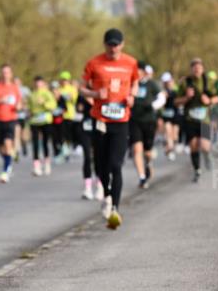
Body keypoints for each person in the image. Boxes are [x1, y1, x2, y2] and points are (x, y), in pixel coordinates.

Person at [80, 28, 139, 229]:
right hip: (100, 120)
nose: (113, 48)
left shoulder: (130, 62)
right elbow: (81, 88)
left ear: (122, 44)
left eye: (117, 44)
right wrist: (96, 94)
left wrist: (132, 96)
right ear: (105, 44)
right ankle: (106, 194)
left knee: (116, 165)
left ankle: (115, 208)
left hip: (121, 120)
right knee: (101, 165)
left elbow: (135, 82)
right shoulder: (94, 63)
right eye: (110, 44)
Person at [176, 67, 216, 183]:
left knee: (205, 146)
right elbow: (176, 102)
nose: (197, 70)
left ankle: (207, 156)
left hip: (204, 120)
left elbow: (217, 97)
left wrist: (209, 101)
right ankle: (197, 170)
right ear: (191, 69)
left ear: (203, 69)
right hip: (190, 120)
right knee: (193, 145)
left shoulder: (208, 82)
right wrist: (186, 97)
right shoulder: (185, 83)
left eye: (199, 68)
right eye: (194, 68)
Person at [129, 63, 165, 189]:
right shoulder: (130, 83)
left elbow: (162, 98)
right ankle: (142, 177)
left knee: (147, 152)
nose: (137, 73)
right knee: (136, 149)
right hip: (134, 120)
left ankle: (148, 163)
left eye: (139, 71)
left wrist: (152, 106)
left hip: (149, 121)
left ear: (144, 72)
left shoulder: (151, 84)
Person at [0, 64, 23, 182]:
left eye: (7, 72)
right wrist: (0, 100)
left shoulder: (14, 87)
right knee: (1, 149)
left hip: (10, 119)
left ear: (11, 74)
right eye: (3, 72)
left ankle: (5, 171)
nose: (5, 75)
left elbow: (19, 102)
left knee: (8, 144)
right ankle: (8, 161)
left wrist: (19, 106)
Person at [28, 76, 57, 176]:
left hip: (45, 120)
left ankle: (47, 163)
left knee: (45, 142)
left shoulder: (47, 93)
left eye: (39, 82)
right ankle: (36, 166)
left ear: (43, 83)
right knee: (35, 143)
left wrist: (44, 103)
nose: (37, 84)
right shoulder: (32, 94)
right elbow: (29, 107)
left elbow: (53, 106)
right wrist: (28, 111)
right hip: (34, 121)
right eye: (36, 82)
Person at [57, 71, 80, 161]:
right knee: (60, 134)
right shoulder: (58, 89)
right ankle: (64, 150)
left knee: (68, 134)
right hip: (60, 114)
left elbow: (74, 100)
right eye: (62, 80)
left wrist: (66, 97)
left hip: (70, 114)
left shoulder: (72, 89)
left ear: (68, 80)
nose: (64, 81)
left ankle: (69, 149)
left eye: (65, 80)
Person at [159, 72, 181, 160]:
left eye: (168, 81)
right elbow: (160, 103)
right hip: (166, 114)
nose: (167, 83)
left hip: (176, 114)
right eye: (165, 82)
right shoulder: (162, 91)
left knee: (175, 135)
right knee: (168, 132)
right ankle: (170, 149)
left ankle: (170, 148)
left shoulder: (177, 89)